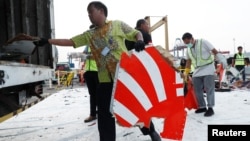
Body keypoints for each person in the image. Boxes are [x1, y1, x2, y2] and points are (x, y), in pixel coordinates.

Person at [33, 1, 145, 141]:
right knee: (104, 115)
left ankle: (150, 130)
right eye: (88, 13)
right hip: (105, 81)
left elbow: (136, 33)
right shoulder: (90, 35)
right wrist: (48, 41)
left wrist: (139, 40)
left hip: (124, 77)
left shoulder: (117, 25)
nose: (89, 15)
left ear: (101, 11)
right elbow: (70, 41)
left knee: (136, 108)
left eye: (91, 12)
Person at [125, 19, 161, 141]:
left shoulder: (127, 36)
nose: (149, 26)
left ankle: (147, 128)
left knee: (137, 103)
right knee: (144, 102)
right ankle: (151, 131)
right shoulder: (145, 35)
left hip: (130, 73)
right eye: (147, 24)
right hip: (143, 73)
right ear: (141, 25)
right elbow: (151, 53)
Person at [182, 32, 227, 117]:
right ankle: (202, 106)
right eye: (186, 44)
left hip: (208, 68)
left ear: (192, 38)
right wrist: (186, 72)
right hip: (197, 70)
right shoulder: (188, 49)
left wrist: (221, 59)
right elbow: (188, 61)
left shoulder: (203, 42)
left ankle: (210, 108)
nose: (187, 45)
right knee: (197, 89)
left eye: (188, 43)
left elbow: (214, 51)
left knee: (209, 88)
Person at [83, 28, 99, 122]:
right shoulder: (88, 44)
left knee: (100, 94)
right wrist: (83, 55)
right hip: (88, 71)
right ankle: (93, 114)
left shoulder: (102, 41)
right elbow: (85, 53)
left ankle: (101, 113)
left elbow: (105, 53)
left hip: (97, 71)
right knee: (92, 94)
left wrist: (92, 56)